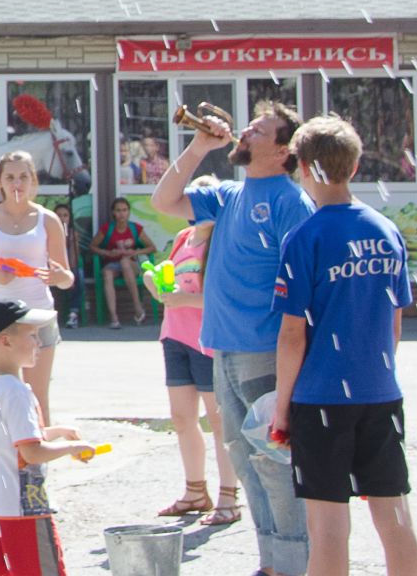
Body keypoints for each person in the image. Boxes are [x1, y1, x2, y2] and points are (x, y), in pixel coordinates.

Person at [153, 99, 313, 576]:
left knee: (276, 468)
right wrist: (200, 144)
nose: (244, 134)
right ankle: (272, 562)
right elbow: (165, 201)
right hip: (221, 348)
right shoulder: (227, 195)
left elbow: (304, 288)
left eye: (258, 131)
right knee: (246, 463)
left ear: (283, 151)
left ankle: (293, 564)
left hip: (265, 352)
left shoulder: (291, 202)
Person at [271, 116, 417, 576]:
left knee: (329, 525)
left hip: (320, 399)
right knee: (393, 514)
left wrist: (282, 409)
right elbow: (394, 325)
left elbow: (293, 334)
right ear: (354, 167)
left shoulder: (305, 237)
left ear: (304, 169)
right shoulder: (385, 230)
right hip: (379, 391)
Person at [0, 300, 95, 576]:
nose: (39, 342)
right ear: (6, 341)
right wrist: (71, 446)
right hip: (23, 509)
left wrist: (57, 431)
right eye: (32, 335)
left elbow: (11, 442)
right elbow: (32, 453)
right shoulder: (16, 392)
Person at [0, 149, 75, 424]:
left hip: (39, 314)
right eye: (10, 177)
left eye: (23, 177)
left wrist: (59, 277)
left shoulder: (48, 220)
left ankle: (35, 465)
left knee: (37, 396)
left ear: (33, 181)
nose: (16, 184)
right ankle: (0, 460)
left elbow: (67, 277)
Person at [146, 185, 240, 527]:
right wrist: (154, 285)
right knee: (183, 418)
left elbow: (226, 297)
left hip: (208, 340)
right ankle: (195, 491)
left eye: (199, 202)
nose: (191, 207)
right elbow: (164, 275)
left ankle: (229, 496)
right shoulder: (184, 237)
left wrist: (184, 301)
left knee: (219, 422)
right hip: (175, 336)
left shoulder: (223, 242)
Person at [89, 196, 157, 329]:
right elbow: (92, 246)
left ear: (129, 212)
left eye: (125, 210)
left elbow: (152, 248)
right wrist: (108, 253)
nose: (122, 214)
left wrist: (134, 252)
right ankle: (114, 317)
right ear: (113, 213)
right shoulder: (107, 229)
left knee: (125, 262)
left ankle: (137, 306)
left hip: (132, 265)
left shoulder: (135, 228)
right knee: (107, 274)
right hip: (113, 264)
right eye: (118, 210)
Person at [49, 203, 82, 330]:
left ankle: (73, 314)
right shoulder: (47, 232)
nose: (62, 218)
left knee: (79, 274)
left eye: (65, 215)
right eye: (59, 215)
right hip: (50, 266)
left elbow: (74, 257)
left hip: (67, 267)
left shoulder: (73, 234)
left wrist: (69, 274)